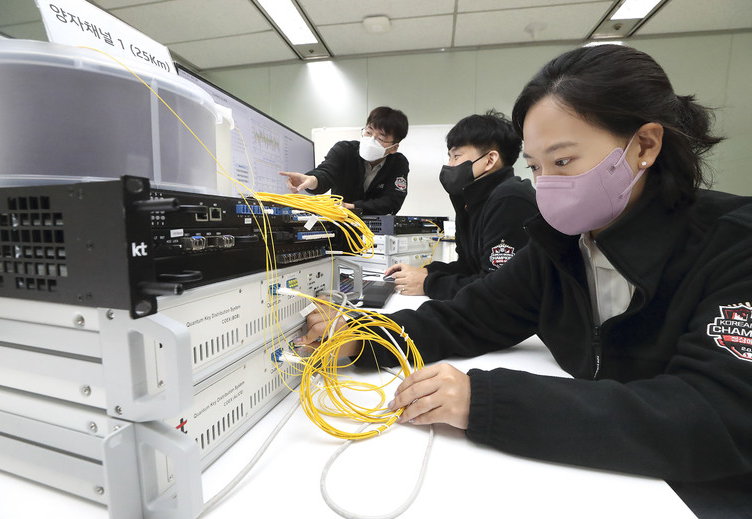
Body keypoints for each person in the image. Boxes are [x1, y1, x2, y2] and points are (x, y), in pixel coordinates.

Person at [295, 44, 752, 514]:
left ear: (645, 146)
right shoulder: (564, 247)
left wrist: (487, 401)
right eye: (535, 167)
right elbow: (469, 316)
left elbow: (716, 414)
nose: (546, 183)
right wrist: (361, 336)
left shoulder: (735, 245)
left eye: (563, 161)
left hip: (704, 494)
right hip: (615, 481)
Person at [384, 110, 537, 298]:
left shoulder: (510, 200)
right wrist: (426, 271)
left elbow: (500, 287)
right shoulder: (471, 201)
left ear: (490, 160)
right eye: (449, 156)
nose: (449, 165)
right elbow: (469, 267)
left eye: (456, 156)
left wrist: (427, 284)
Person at [280, 106, 409, 215]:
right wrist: (313, 180)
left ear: (394, 147)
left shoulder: (398, 163)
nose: (371, 141)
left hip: (377, 231)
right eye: (369, 132)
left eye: (380, 138)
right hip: (341, 226)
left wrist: (350, 206)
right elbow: (326, 172)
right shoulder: (344, 150)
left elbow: (392, 202)